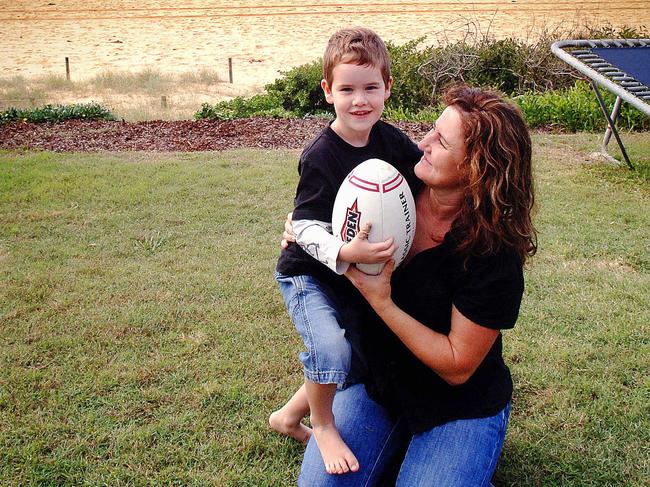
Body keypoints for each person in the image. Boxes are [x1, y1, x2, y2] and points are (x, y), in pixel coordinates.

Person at [283, 84, 537, 486]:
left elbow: (458, 366)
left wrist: (383, 303)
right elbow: (325, 214)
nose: (423, 143)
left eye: (441, 142)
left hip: (456, 404)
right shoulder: (394, 178)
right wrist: (312, 234)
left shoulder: (494, 251)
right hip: (379, 381)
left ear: (476, 166)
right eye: (432, 130)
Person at [271, 27, 424, 475]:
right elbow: (303, 226)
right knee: (332, 350)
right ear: (327, 91)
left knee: (351, 349)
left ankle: (287, 416)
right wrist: (343, 249)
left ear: (388, 88)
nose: (360, 100)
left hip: (348, 273)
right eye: (347, 89)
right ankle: (321, 423)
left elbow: (422, 180)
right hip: (308, 273)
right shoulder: (320, 154)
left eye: (371, 87)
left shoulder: (391, 141)